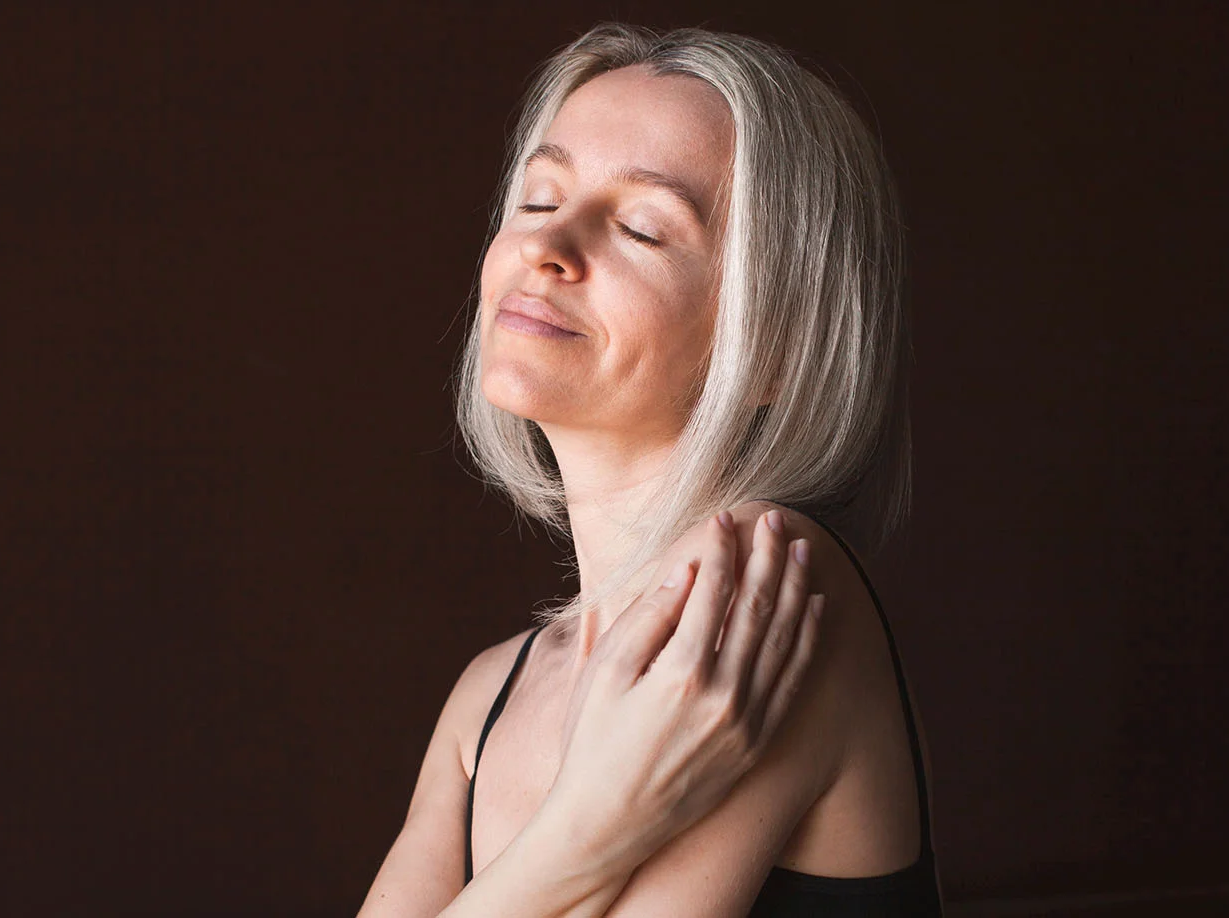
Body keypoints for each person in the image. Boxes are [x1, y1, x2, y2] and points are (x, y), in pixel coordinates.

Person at [359, 23, 942, 917]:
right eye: (539, 197)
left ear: (778, 343)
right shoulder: (485, 699)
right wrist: (590, 831)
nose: (548, 246)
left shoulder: (763, 588)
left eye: (641, 227)